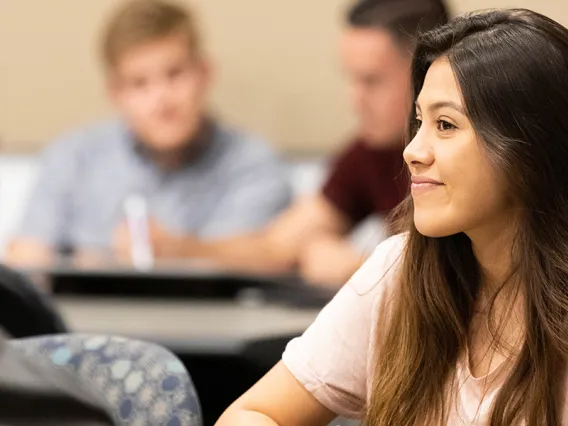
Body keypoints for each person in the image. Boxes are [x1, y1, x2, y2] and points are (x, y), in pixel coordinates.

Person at [215, 8, 568, 425]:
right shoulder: (397, 271)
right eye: (419, 122)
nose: (413, 151)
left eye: (445, 124)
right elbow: (252, 413)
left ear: (529, 147)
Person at [131, 0, 449, 287]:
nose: (354, 100)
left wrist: (360, 265)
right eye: (351, 79)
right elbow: (275, 248)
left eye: (371, 81)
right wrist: (177, 249)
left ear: (427, 74)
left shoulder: (470, 151)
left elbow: (472, 274)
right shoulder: (368, 153)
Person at [5, 0, 290, 267]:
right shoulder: (72, 157)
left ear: (204, 73)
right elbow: (27, 258)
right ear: (115, 94)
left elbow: (270, 257)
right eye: (140, 84)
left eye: (175, 74)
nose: (162, 100)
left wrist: (174, 250)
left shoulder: (252, 162)